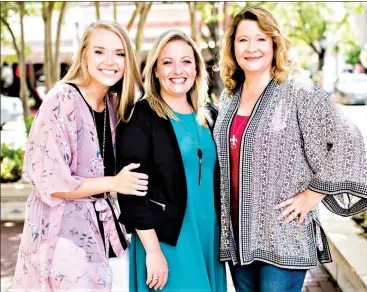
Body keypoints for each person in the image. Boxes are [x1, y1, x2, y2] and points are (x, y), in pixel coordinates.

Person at [214, 6, 367, 292]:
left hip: (283, 234)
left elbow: (347, 138)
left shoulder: (296, 89)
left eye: (261, 39)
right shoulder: (229, 97)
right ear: (232, 46)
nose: (252, 48)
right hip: (238, 238)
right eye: (243, 40)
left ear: (274, 44)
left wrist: (314, 193)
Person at [12, 20, 148, 292]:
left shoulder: (112, 102)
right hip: (61, 233)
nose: (110, 61)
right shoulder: (61, 99)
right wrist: (114, 183)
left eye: (119, 54)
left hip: (103, 232)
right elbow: (51, 181)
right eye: (99, 51)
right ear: (84, 54)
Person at [116, 30, 227, 291]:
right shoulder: (140, 117)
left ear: (197, 69)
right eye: (168, 62)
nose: (178, 70)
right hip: (166, 241)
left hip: (208, 237)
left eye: (186, 61)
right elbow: (132, 192)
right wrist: (153, 252)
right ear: (155, 70)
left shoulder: (210, 115)